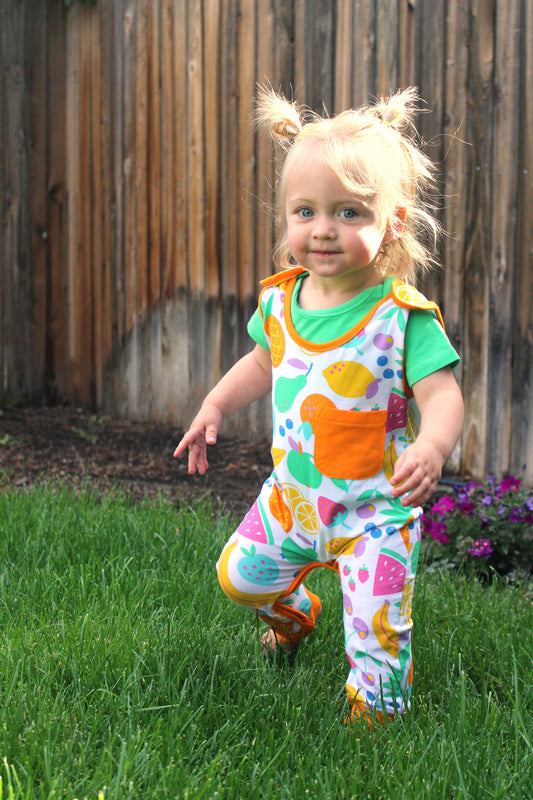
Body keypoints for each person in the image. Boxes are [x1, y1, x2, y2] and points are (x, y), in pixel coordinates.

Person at [174, 87, 464, 725]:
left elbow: (443, 394)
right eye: (305, 211)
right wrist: (214, 405)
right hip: (294, 500)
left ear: (393, 221)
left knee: (377, 631)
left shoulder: (402, 318)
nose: (324, 229)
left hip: (375, 515)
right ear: (285, 218)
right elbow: (261, 363)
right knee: (239, 578)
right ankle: (296, 614)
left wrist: (431, 445)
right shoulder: (281, 303)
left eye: (349, 212)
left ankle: (375, 715)